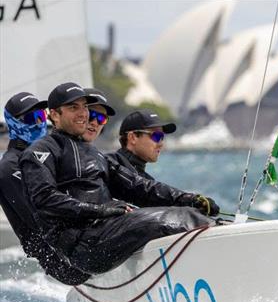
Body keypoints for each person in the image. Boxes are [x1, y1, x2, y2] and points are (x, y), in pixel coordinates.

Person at [20, 82, 218, 278]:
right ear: (54, 115)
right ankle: (218, 241)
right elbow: (45, 199)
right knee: (171, 221)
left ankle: (217, 233)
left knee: (185, 212)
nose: (83, 114)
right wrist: (101, 210)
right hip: (82, 246)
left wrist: (189, 199)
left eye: (84, 107)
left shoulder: (96, 154)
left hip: (104, 232)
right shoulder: (40, 151)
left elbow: (141, 187)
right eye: (73, 108)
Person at [0, 91, 90, 284]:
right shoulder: (9, 167)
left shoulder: (43, 154)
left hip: (77, 244)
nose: (39, 122)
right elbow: (40, 216)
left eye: (42, 115)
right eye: (32, 117)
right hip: (63, 260)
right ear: (13, 123)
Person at [106, 109, 220, 216]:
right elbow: (142, 188)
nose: (161, 143)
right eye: (156, 136)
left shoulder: (147, 179)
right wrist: (190, 200)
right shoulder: (109, 164)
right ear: (133, 137)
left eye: (162, 137)